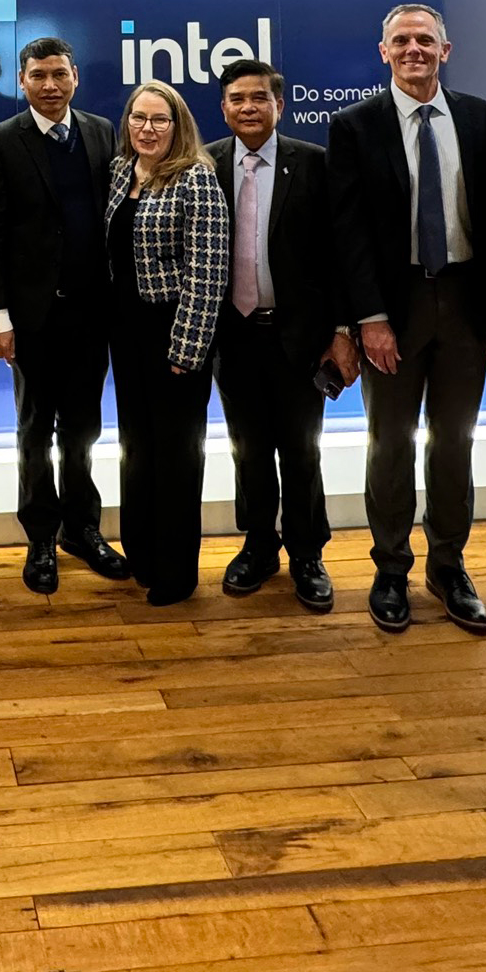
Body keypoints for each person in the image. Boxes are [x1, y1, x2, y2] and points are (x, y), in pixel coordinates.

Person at [327, 4, 486, 636]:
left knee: (455, 440)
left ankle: (448, 566)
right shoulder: (356, 126)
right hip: (396, 306)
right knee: (389, 443)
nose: (414, 49)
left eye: (426, 40)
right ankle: (390, 569)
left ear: (447, 49)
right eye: (401, 41)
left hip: (466, 301)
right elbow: (348, 233)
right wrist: (369, 318)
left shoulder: (480, 117)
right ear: (383, 51)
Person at [0, 37, 128, 595]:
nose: (49, 85)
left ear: (75, 77)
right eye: (37, 75)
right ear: (22, 81)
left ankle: (82, 529)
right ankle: (40, 536)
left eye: (59, 74)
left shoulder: (101, 131)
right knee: (35, 430)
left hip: (91, 313)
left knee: (85, 427)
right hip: (31, 318)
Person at [208, 59, 357, 608]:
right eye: (237, 99)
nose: (248, 107)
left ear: (279, 105)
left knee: (300, 450)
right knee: (247, 449)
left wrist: (342, 331)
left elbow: (340, 256)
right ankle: (258, 545)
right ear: (223, 108)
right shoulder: (204, 165)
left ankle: (307, 553)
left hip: (299, 337)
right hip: (234, 335)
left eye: (259, 98)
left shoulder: (314, 164)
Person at [104, 81, 229, 607]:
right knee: (137, 449)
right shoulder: (119, 172)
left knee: (177, 457)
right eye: (138, 118)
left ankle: (176, 573)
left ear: (178, 126)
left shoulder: (197, 178)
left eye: (159, 120)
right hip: (126, 336)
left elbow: (208, 273)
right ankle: (143, 554)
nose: (147, 129)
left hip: (174, 334)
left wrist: (188, 349)